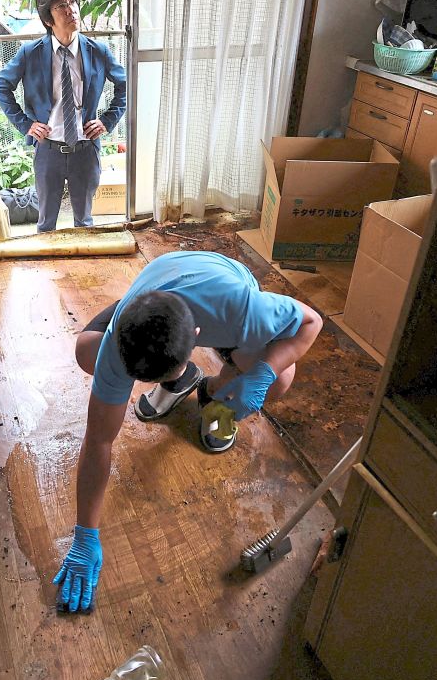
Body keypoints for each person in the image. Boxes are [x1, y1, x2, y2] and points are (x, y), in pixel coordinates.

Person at [53, 251, 323, 612]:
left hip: (217, 291)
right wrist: (85, 534)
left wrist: (264, 373)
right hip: (156, 292)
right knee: (88, 350)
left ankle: (213, 392)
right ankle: (179, 380)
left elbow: (312, 322)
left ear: (197, 338)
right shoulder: (120, 342)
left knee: (281, 379)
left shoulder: (244, 309)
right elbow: (99, 439)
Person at [0, 0, 127, 233]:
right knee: (46, 224)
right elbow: (0, 86)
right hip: (48, 150)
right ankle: (47, 271)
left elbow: (125, 85)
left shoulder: (97, 50)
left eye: (73, 2)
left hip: (86, 149)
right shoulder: (30, 53)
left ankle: (82, 271)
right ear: (47, 18)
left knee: (85, 222)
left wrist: (107, 120)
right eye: (61, 6)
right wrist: (26, 124)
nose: (71, 10)